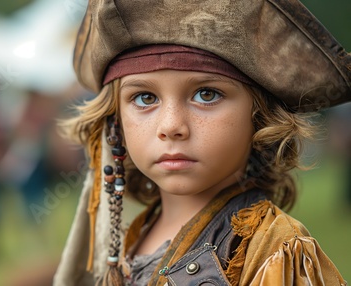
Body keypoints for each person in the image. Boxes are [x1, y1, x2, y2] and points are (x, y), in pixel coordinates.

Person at [54, 0, 350, 285]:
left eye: (206, 94)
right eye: (145, 98)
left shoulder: (275, 252)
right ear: (116, 121)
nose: (171, 126)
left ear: (260, 116)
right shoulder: (130, 239)